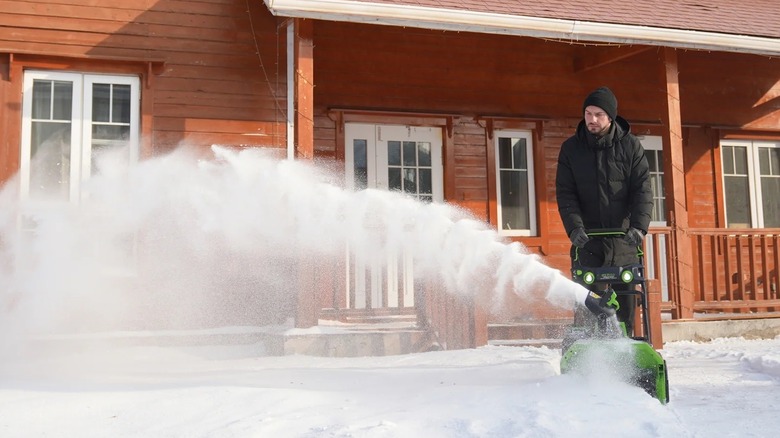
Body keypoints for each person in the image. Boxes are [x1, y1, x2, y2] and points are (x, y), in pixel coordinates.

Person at [555, 86, 653, 335]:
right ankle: (587, 353)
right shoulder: (571, 149)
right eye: (588, 113)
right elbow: (566, 193)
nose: (592, 120)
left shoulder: (631, 147)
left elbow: (642, 190)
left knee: (626, 299)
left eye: (598, 114)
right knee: (589, 301)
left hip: (623, 238)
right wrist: (574, 228)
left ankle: (628, 348)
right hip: (588, 240)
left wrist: (639, 227)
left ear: (610, 116)